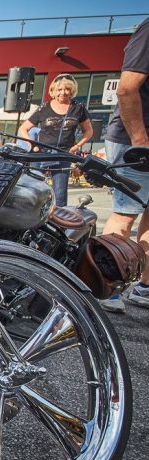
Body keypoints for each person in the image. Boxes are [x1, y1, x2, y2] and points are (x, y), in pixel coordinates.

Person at [98, 18, 149, 313]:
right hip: (135, 139)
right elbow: (127, 89)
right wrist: (140, 140)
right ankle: (108, 286)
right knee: (124, 213)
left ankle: (144, 286)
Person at [19, 73, 93, 207]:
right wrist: (31, 144)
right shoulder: (44, 108)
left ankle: (58, 224)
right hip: (41, 153)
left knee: (60, 194)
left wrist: (77, 146)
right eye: (59, 89)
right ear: (53, 91)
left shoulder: (78, 108)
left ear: (71, 91)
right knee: (33, 190)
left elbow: (89, 131)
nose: (63, 93)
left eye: (67, 89)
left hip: (63, 153)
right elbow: (23, 129)